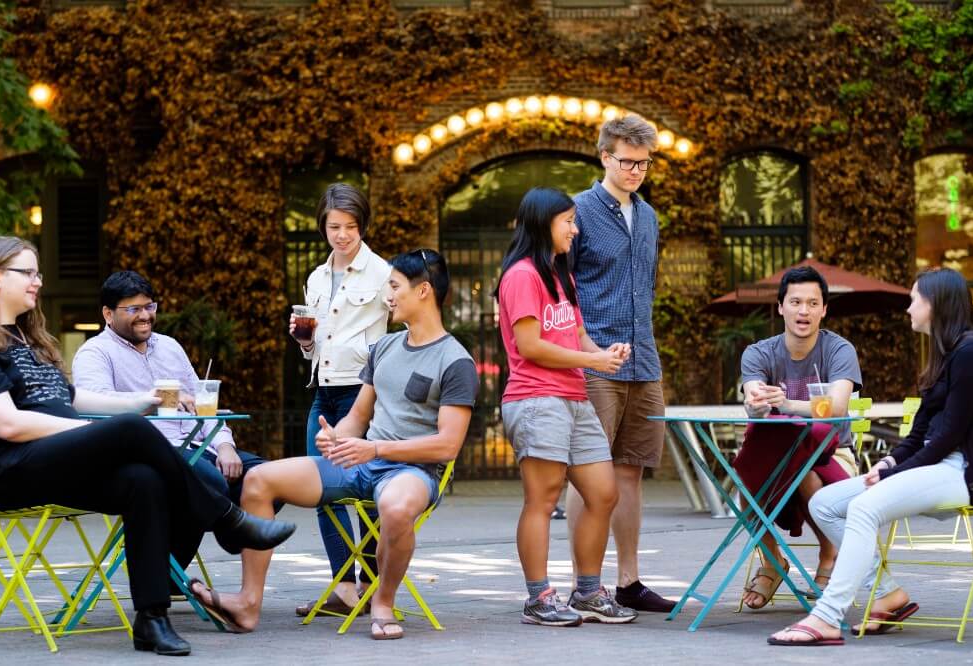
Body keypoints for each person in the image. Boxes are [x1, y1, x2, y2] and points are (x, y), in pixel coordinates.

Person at [0, 237, 296, 656]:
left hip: (52, 461)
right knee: (129, 430)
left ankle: (152, 619)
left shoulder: (29, 340)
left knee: (142, 479)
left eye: (38, 272)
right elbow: (8, 424)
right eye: (29, 273)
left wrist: (137, 403)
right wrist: (85, 432)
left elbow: (72, 399)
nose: (39, 281)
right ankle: (226, 517)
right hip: (8, 469)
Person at [188, 249, 477, 640]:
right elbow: (358, 417)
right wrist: (335, 434)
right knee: (258, 480)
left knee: (393, 507)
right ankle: (247, 603)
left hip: (414, 470)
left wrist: (374, 450)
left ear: (423, 291)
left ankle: (382, 602)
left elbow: (446, 445)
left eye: (394, 287)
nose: (387, 295)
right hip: (363, 460)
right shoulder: (385, 349)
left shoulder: (455, 360)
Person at [768, 267, 973, 646]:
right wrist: (889, 463)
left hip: (960, 472)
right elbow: (921, 433)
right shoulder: (945, 357)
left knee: (864, 508)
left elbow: (949, 437)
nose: (909, 308)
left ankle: (827, 617)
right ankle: (886, 593)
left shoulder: (970, 354)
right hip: (935, 466)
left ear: (937, 304)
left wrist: (896, 474)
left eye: (915, 299)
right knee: (826, 502)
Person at [496, 187, 637, 627]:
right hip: (537, 398)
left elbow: (574, 337)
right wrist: (592, 361)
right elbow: (530, 346)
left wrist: (603, 354)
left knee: (603, 493)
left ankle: (589, 593)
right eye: (568, 221)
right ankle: (539, 598)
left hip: (574, 398)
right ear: (544, 224)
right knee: (542, 499)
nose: (575, 229)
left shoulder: (560, 276)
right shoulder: (522, 276)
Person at [72, 270, 267, 568]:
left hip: (196, 445)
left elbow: (202, 406)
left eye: (149, 306)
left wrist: (225, 445)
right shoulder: (94, 354)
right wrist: (152, 399)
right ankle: (170, 567)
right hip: (143, 452)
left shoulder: (170, 347)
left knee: (268, 478)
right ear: (108, 314)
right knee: (211, 480)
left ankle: (224, 540)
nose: (145, 316)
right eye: (133, 309)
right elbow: (100, 409)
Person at [565, 114, 674, 613]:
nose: (636, 171)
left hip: (643, 361)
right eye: (627, 162)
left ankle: (628, 581)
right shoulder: (579, 213)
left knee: (630, 472)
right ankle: (583, 584)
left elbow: (645, 287)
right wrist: (587, 351)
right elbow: (561, 292)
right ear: (604, 156)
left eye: (644, 164)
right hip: (594, 360)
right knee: (590, 472)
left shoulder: (649, 216)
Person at [290, 183, 390, 617]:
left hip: (361, 393)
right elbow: (315, 344)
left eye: (350, 226)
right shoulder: (315, 277)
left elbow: (395, 334)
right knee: (321, 491)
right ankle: (343, 586)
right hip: (323, 392)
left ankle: (369, 584)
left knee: (365, 493)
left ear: (362, 226)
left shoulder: (383, 273)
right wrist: (304, 341)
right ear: (323, 227)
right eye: (334, 226)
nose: (343, 235)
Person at [736, 265, 861, 610]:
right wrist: (758, 402)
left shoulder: (839, 350)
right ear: (780, 307)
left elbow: (836, 408)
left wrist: (788, 402)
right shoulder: (759, 352)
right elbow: (753, 397)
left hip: (834, 454)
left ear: (824, 309)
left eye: (812, 303)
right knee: (746, 488)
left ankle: (829, 556)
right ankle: (773, 563)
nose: (803, 311)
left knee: (805, 476)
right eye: (795, 302)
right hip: (778, 452)